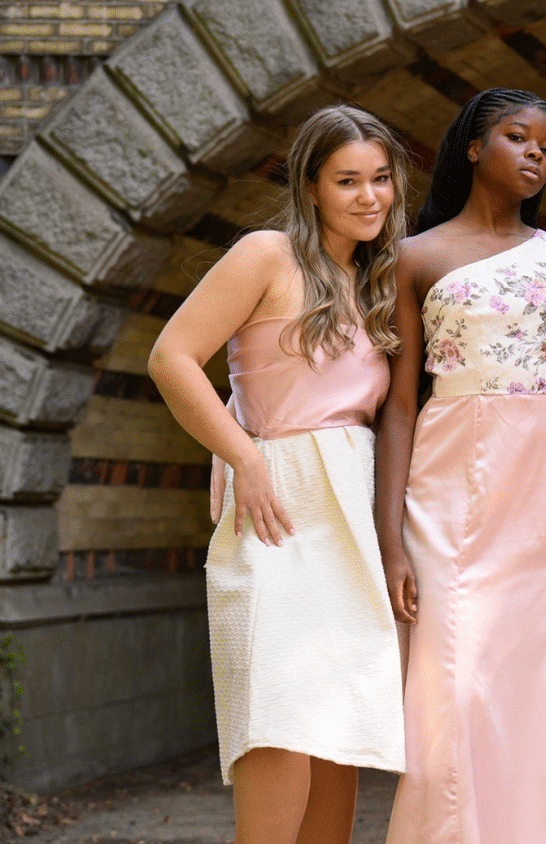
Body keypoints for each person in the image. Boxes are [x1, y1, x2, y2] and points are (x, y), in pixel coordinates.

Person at [147, 104, 408, 844]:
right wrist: (242, 451)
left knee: (336, 727)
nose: (368, 196)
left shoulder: (379, 278)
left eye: (380, 178)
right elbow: (171, 357)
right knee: (279, 715)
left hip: (352, 506)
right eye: (347, 181)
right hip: (279, 505)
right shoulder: (266, 254)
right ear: (311, 187)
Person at [377, 87, 546, 844]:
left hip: (541, 494)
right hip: (445, 488)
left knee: (538, 681)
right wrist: (389, 539)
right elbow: (399, 405)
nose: (537, 155)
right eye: (519, 137)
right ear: (474, 146)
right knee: (450, 684)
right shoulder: (415, 257)